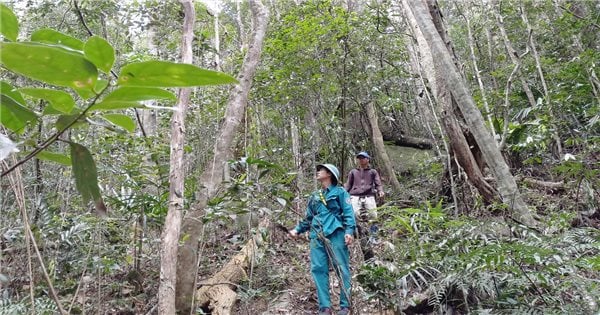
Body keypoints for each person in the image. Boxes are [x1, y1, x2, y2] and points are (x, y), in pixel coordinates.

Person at [289, 163, 356, 315]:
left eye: (321, 170)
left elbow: (348, 213)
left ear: (330, 174)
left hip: (336, 233)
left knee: (341, 268)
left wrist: (349, 231)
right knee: (318, 269)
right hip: (316, 235)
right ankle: (325, 307)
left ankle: (345, 306)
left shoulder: (340, 193)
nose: (318, 172)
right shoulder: (314, 196)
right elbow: (308, 218)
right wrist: (297, 230)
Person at [344, 151, 384, 248]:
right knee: (353, 214)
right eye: (360, 158)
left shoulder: (373, 172)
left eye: (363, 158)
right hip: (355, 195)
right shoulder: (353, 172)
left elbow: (378, 183)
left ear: (368, 159)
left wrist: (380, 191)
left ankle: (374, 236)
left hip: (369, 195)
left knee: (373, 215)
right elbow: (348, 184)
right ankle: (355, 235)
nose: (361, 160)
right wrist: (344, 194)